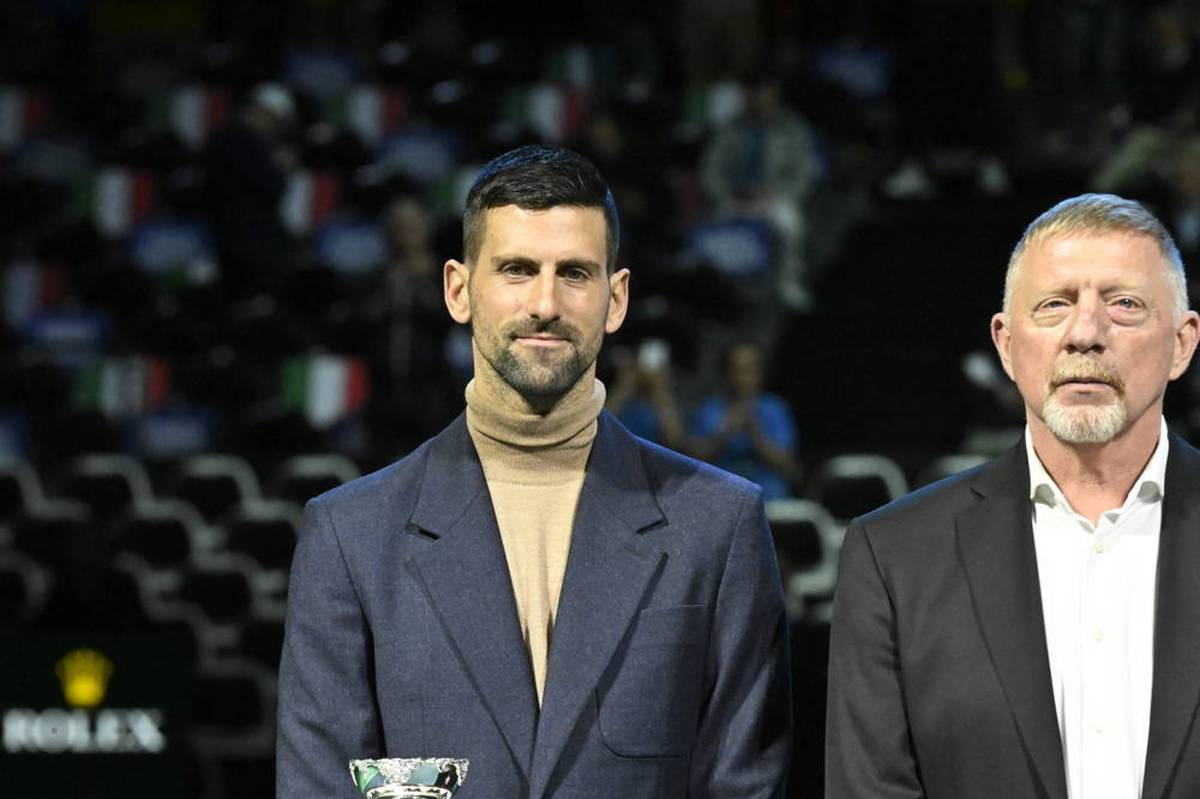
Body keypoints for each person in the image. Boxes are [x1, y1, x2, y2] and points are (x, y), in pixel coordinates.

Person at [277, 145, 791, 799]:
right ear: (459, 290)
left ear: (616, 299)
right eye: (517, 270)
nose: (545, 303)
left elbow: (743, 786)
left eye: (574, 273)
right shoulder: (350, 536)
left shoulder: (718, 523)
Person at [826, 193, 1200, 799]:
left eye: (1124, 304)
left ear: (1182, 343)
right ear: (1005, 344)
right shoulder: (895, 557)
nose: (1085, 333)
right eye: (1054, 305)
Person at [690, 342, 800, 501]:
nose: (743, 378)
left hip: (769, 496)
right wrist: (724, 433)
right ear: (725, 374)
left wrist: (755, 434)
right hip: (721, 496)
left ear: (760, 373)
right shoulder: (709, 410)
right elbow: (693, 464)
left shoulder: (775, 408)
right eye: (737, 370)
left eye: (750, 370)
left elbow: (789, 467)